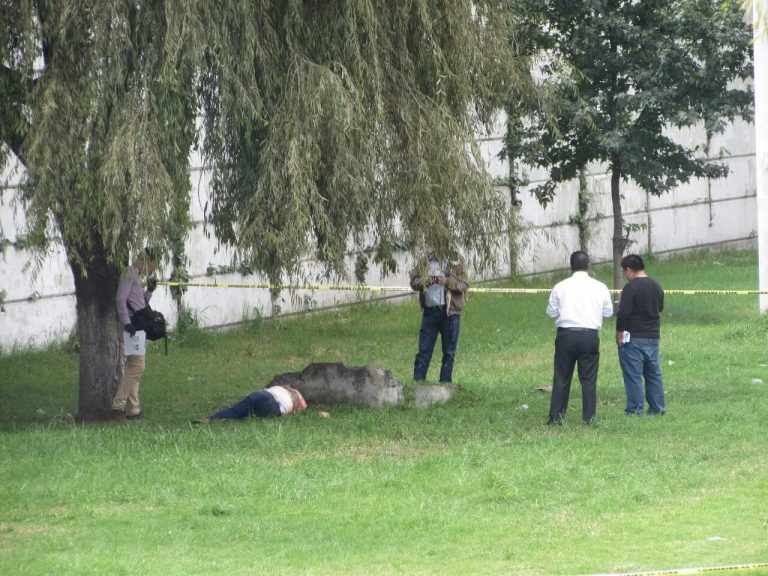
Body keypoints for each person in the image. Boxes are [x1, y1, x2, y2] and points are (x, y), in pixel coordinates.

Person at [546, 251, 613, 425]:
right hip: (589, 336)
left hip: (566, 335)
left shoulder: (560, 286)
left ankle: (556, 417)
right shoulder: (600, 287)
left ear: (570, 267)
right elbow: (608, 312)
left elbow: (551, 311)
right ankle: (589, 418)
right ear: (589, 266)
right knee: (589, 378)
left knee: (561, 377)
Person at [110, 248, 159, 421]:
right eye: (153, 265)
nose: (152, 269)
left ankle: (133, 409)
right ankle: (118, 406)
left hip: (137, 324)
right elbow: (120, 299)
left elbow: (139, 304)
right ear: (148, 261)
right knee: (138, 366)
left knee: (133, 366)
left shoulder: (136, 276)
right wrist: (126, 322)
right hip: (131, 326)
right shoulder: (129, 273)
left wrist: (149, 291)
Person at [616, 254, 666, 415]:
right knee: (653, 374)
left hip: (634, 337)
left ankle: (635, 410)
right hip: (653, 336)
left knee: (633, 375)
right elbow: (660, 308)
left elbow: (623, 313)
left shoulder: (631, 288)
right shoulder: (656, 285)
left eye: (625, 272)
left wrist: (619, 333)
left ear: (629, 269)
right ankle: (657, 408)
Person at [410, 252, 469, 384]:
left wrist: (447, 281)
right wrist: (427, 281)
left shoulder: (456, 260)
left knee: (449, 351)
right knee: (424, 350)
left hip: (450, 313)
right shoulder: (426, 260)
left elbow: (464, 285)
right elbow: (414, 282)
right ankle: (418, 384)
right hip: (429, 313)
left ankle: (445, 384)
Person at [195, 386, 308, 424]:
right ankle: (222, 419)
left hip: (260, 395)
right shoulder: (293, 402)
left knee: (235, 411)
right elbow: (304, 405)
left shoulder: (279, 388)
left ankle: (210, 419)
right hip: (273, 406)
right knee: (246, 418)